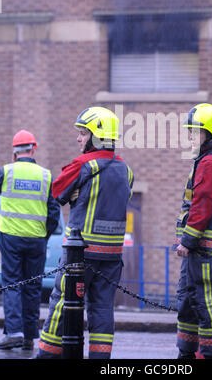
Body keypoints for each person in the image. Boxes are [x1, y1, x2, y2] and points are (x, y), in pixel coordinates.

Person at [36, 106, 134, 359]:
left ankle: (47, 355)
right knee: (102, 308)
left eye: (83, 133)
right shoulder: (126, 170)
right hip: (112, 254)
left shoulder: (83, 165)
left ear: (96, 136)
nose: (78, 138)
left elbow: (57, 193)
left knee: (61, 303)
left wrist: (76, 195)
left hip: (81, 253)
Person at [174, 103, 212, 359]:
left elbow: (203, 204)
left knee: (204, 298)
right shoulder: (211, 159)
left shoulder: (211, 162)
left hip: (203, 244)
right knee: (189, 299)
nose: (190, 137)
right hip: (203, 243)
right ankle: (187, 353)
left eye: (194, 131)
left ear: (208, 133)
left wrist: (187, 240)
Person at [0, 130, 60, 350]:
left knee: (12, 284)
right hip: (36, 240)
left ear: (14, 152)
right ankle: (29, 337)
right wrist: (44, 236)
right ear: (34, 149)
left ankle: (14, 332)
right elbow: (54, 212)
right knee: (32, 286)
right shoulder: (46, 175)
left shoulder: (5, 172)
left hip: (11, 238)